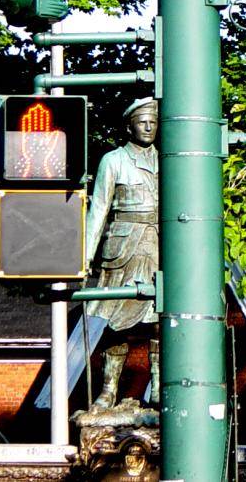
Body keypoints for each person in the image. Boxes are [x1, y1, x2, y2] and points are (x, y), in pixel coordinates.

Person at [86, 97, 159, 408]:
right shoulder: (113, 160)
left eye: (153, 122)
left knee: (160, 316)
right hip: (123, 247)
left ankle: (158, 386)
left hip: (158, 244)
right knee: (117, 320)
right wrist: (85, 256)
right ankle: (108, 389)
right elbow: (99, 209)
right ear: (129, 125)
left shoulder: (167, 160)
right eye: (142, 121)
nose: (148, 126)